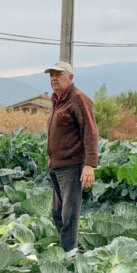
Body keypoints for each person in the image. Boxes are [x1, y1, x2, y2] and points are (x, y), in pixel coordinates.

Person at [44, 60, 98, 254]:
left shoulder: (78, 99)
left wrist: (89, 164)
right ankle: (70, 248)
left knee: (69, 214)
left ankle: (68, 256)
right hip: (56, 166)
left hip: (72, 166)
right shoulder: (57, 101)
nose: (54, 78)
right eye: (51, 75)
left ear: (71, 77)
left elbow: (91, 131)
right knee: (57, 213)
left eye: (58, 74)